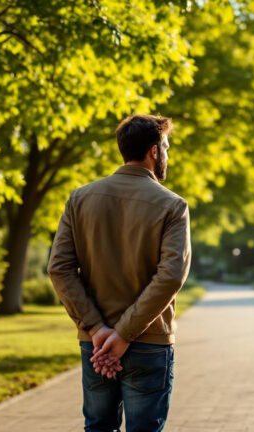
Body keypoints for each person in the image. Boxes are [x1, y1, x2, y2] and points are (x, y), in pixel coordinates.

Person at [47, 113, 191, 432]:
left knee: (98, 427)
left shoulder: (79, 198)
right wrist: (124, 333)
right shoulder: (173, 205)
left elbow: (59, 268)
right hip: (149, 342)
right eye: (167, 148)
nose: (167, 155)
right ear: (154, 151)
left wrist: (97, 328)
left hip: (96, 344)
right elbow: (170, 276)